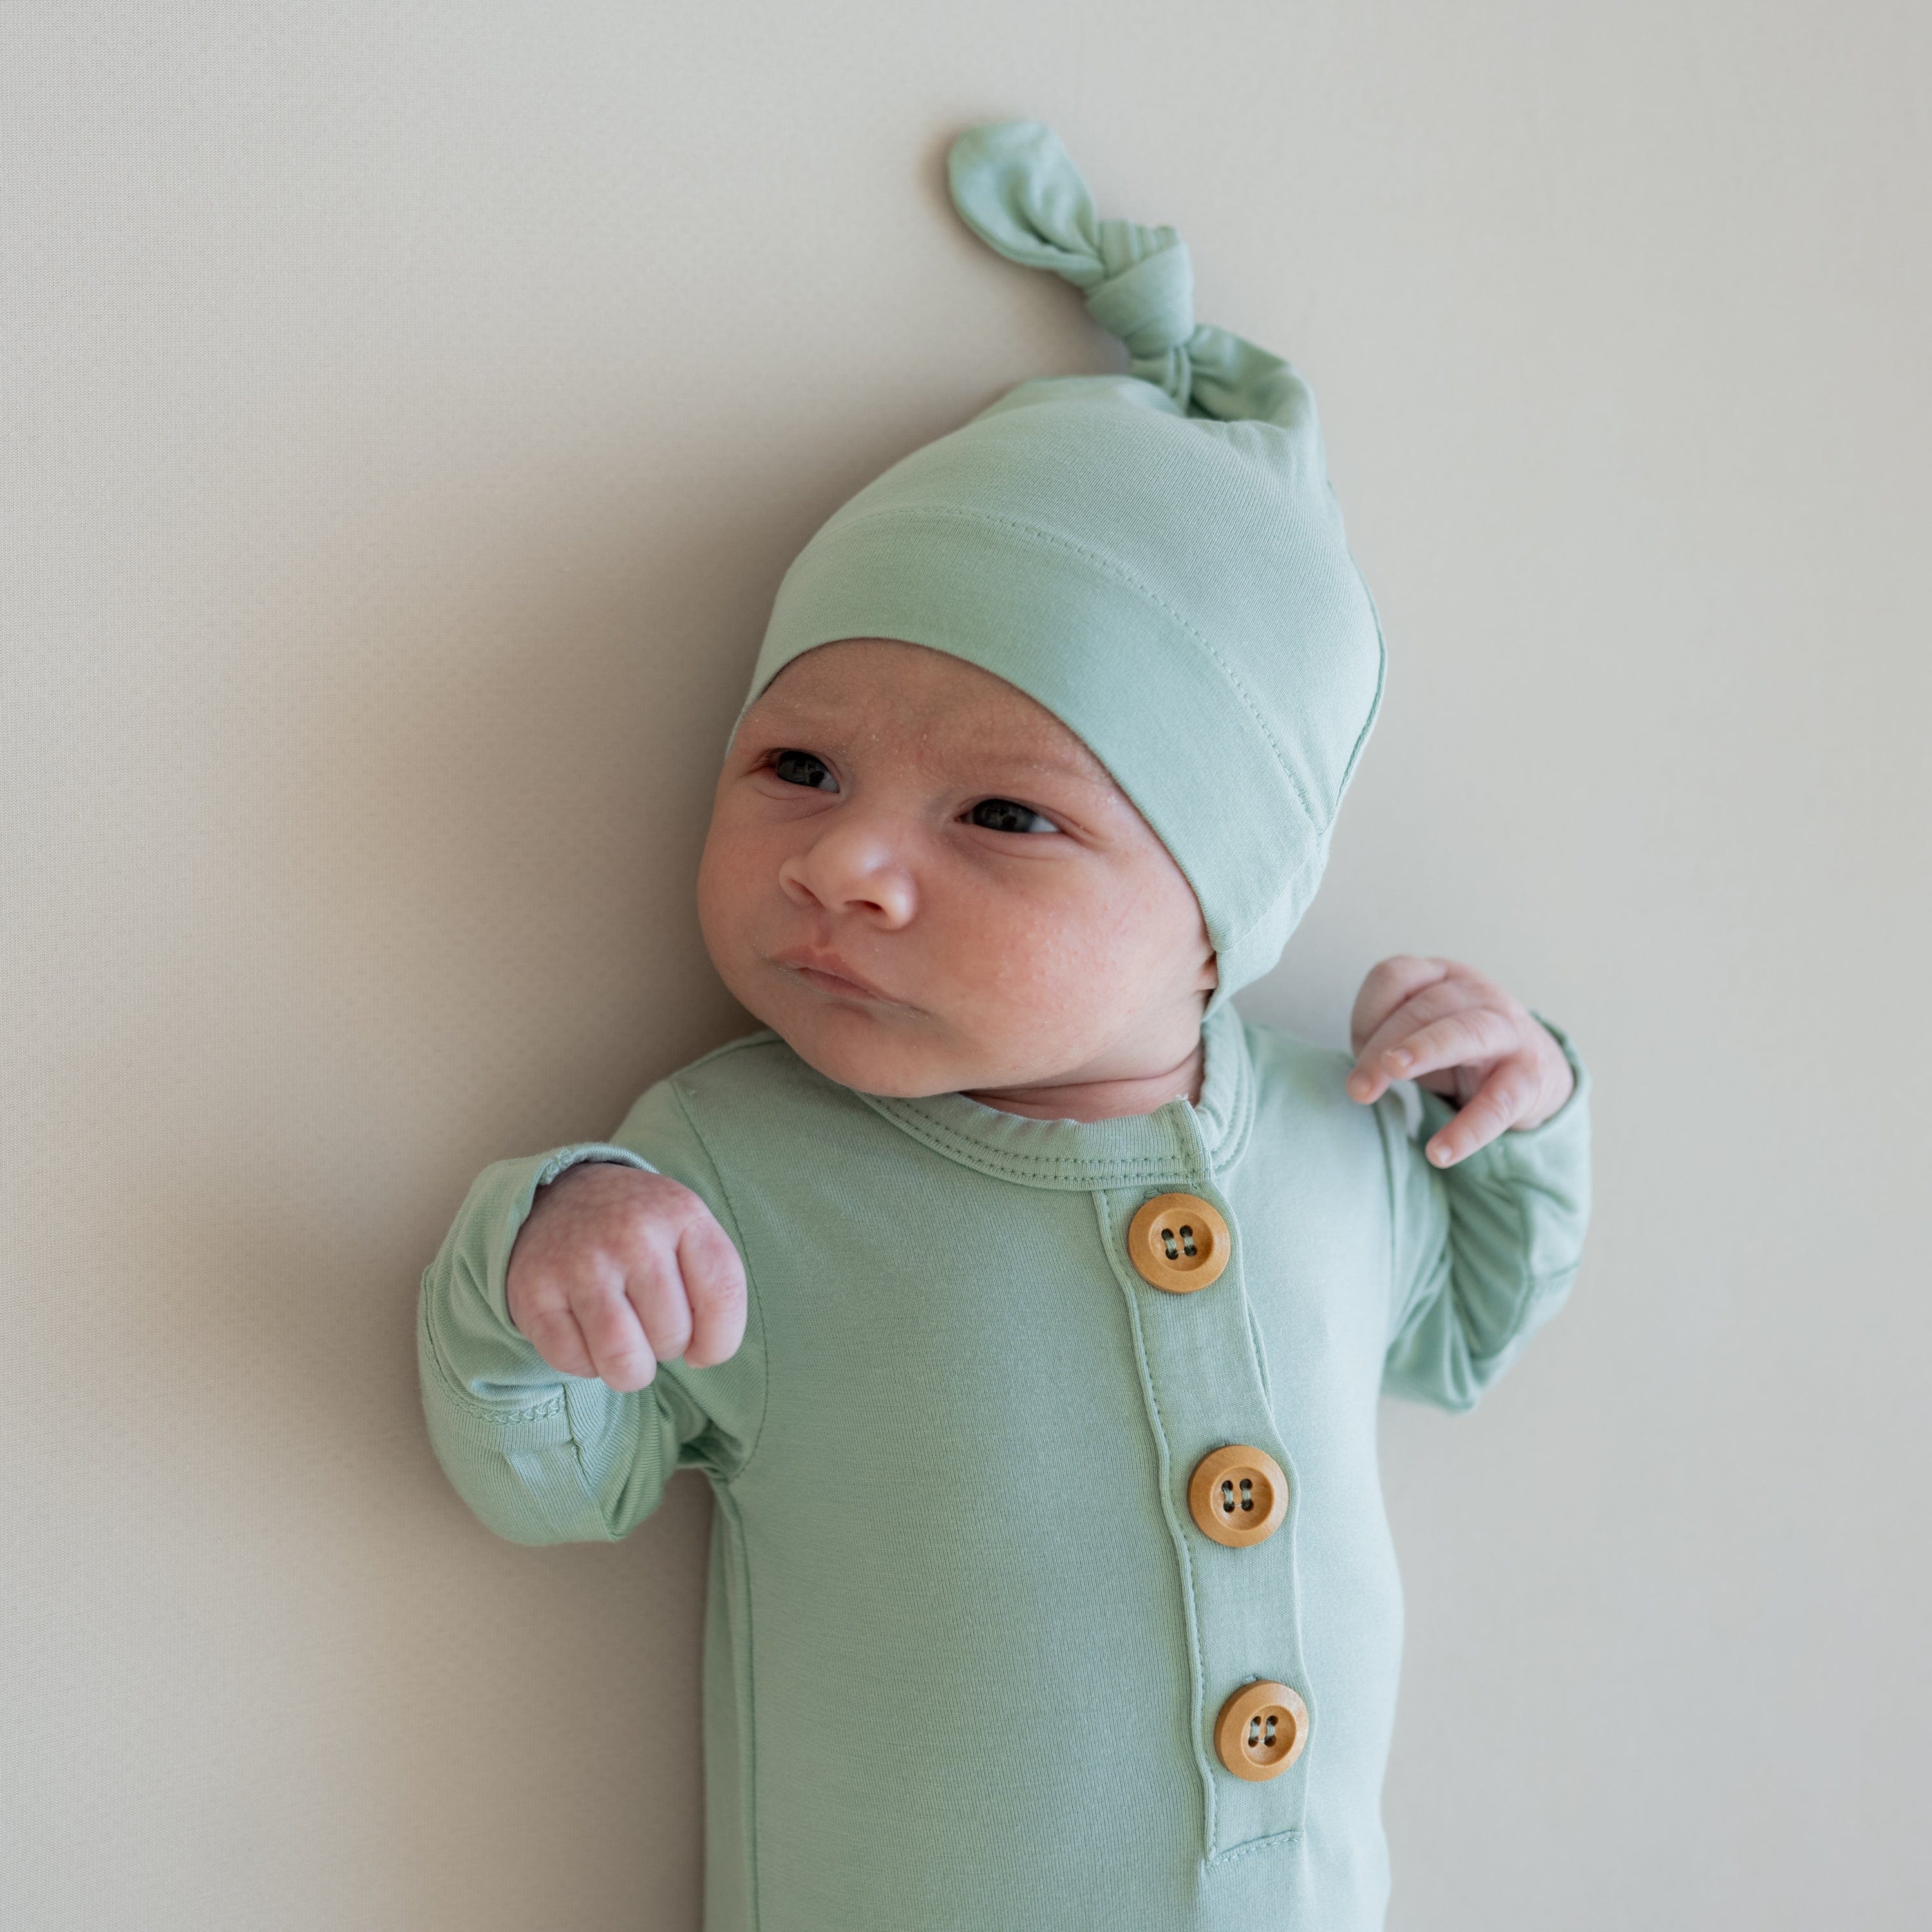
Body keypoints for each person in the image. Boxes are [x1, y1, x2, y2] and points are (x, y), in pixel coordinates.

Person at [417, 119, 1591, 1931]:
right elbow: (551, 1487)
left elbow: (1464, 1331)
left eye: (1004, 817)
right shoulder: (739, 1163)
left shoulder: (1341, 1139)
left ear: (1221, 904)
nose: (849, 868)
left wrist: (1521, 1105)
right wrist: (542, 1255)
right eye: (796, 767)